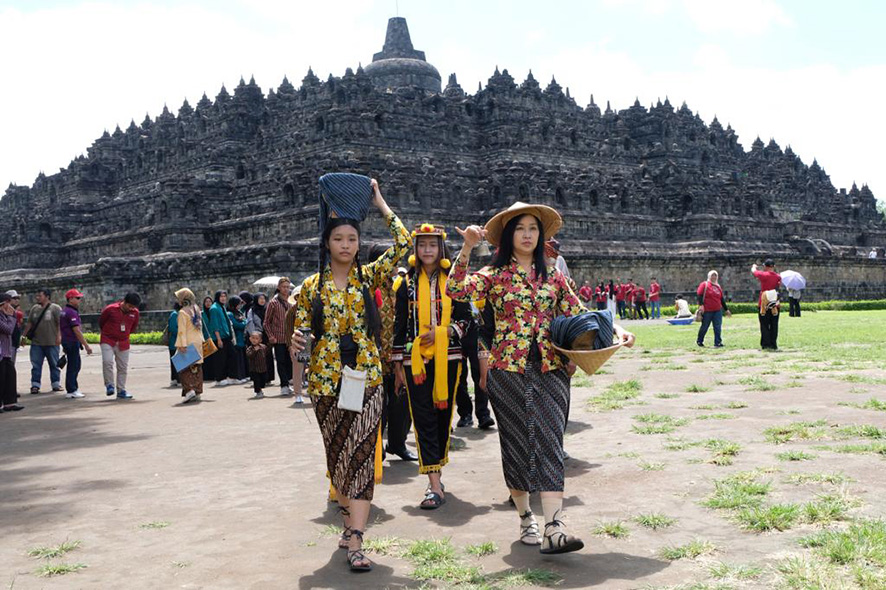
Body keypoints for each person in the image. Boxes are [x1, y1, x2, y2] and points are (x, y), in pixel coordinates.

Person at [447, 201, 635, 555]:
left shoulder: (554, 277)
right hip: (508, 372)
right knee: (517, 445)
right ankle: (525, 517)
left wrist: (619, 330)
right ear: (508, 236)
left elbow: (582, 314)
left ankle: (554, 526)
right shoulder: (493, 275)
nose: (528, 234)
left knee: (550, 441)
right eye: (521, 228)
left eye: (534, 228)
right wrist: (468, 246)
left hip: (551, 368)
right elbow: (455, 290)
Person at [291, 177, 409, 572]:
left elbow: (405, 246)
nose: (346, 245)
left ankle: (357, 537)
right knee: (338, 458)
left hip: (366, 380)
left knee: (360, 455)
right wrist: (296, 339)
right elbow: (302, 330)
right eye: (339, 238)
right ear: (328, 243)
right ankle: (347, 523)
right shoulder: (310, 288)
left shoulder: (369, 277)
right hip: (325, 382)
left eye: (352, 239)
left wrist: (379, 203)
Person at [392, 223, 471, 509]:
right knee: (422, 418)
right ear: (415, 249)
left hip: (448, 359)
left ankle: (436, 471)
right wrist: (398, 365)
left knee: (441, 418)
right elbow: (399, 326)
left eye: (432, 245)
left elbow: (466, 319)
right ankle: (433, 484)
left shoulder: (454, 281)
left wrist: (445, 332)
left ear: (441, 249)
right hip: (417, 362)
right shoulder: (405, 285)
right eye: (422, 245)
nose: (427, 250)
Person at [368, 243, 416, 461]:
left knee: (402, 404)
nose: (394, 267)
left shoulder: (401, 287)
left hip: (398, 355)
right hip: (374, 357)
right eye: (390, 261)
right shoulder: (367, 289)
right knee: (378, 407)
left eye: (395, 262)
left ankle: (398, 443)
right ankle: (376, 447)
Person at [98, 292, 140, 399]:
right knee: (107, 362)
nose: (131, 309)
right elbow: (101, 322)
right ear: (124, 302)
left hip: (123, 342)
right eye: (130, 306)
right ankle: (109, 385)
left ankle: (121, 390)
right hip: (108, 339)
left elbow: (133, 327)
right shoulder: (110, 309)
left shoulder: (135, 313)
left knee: (123, 367)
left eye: (133, 307)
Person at [22, 288, 62, 395]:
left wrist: (59, 336)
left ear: (47, 296)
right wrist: (23, 336)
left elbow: (59, 324)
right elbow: (29, 323)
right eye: (37, 296)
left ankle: (56, 383)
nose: (37, 297)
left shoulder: (55, 308)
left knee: (54, 364)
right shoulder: (34, 309)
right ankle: (35, 385)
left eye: (40, 295)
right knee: (36, 365)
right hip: (37, 342)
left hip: (52, 342)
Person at [59, 289, 93, 398]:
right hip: (71, 341)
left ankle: (73, 388)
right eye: (77, 298)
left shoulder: (64, 311)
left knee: (74, 365)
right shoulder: (71, 312)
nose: (79, 300)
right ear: (71, 299)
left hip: (67, 341)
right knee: (74, 366)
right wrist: (86, 345)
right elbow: (76, 330)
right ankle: (72, 389)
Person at [174, 288, 205, 403]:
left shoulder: (182, 312)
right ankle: (197, 391)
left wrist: (182, 344)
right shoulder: (196, 309)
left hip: (187, 341)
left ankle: (189, 390)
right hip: (197, 341)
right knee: (196, 367)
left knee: (183, 367)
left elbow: (181, 330)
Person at [265, 278, 294, 396]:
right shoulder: (273, 303)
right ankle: (284, 385)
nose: (286, 289)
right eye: (284, 287)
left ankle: (289, 381)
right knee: (281, 361)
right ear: (278, 288)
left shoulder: (292, 301)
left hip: (291, 337)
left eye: (288, 287)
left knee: (290, 361)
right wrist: (271, 336)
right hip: (278, 337)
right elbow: (266, 322)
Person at [752, 259, 782, 350]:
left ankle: (765, 343)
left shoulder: (763, 275)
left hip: (764, 302)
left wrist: (754, 266)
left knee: (764, 324)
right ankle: (773, 343)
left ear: (765, 266)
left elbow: (754, 272)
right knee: (774, 324)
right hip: (775, 302)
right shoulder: (778, 277)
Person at [0, 292, 23, 413]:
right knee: (1, 378)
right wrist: (11, 317)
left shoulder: (6, 315)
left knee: (10, 377)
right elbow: (8, 330)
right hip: (1, 353)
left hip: (6, 352)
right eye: (7, 303)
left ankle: (10, 403)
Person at [696, 271, 731, 347]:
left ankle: (718, 342)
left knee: (717, 327)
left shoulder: (718, 286)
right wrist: (701, 305)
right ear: (709, 276)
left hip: (717, 310)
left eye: (715, 276)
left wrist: (726, 309)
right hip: (707, 310)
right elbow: (699, 295)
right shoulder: (704, 285)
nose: (714, 277)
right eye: (712, 275)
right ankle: (700, 340)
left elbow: (721, 299)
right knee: (705, 326)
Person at [208, 291, 235, 386]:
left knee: (230, 356)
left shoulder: (221, 307)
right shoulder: (214, 308)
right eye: (221, 296)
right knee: (220, 359)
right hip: (219, 337)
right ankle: (220, 378)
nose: (223, 298)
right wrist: (218, 339)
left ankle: (228, 376)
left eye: (224, 296)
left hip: (226, 336)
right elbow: (215, 325)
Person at [227, 295, 248, 383]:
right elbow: (236, 325)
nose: (240, 306)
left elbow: (245, 321)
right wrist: (244, 324)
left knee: (242, 359)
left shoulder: (239, 312)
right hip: (235, 339)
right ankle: (237, 377)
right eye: (238, 304)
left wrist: (244, 323)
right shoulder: (230, 314)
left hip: (242, 339)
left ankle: (243, 375)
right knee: (237, 360)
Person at [246, 331, 269, 398]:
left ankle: (261, 388)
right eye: (253, 338)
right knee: (256, 381)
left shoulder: (263, 347)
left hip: (263, 368)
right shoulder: (249, 348)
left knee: (263, 380)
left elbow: (267, 353)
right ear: (250, 339)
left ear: (260, 340)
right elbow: (249, 355)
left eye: (256, 338)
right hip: (254, 369)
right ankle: (258, 391)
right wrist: (254, 351)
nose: (254, 340)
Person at [5, 290, 23, 365]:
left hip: (14, 343)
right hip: (8, 344)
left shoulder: (15, 312)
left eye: (17, 298)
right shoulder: (6, 312)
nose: (17, 300)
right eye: (14, 298)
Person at [167, 303, 181, 387]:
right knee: (177, 361)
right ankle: (178, 379)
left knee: (175, 362)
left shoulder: (176, 314)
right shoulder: (175, 314)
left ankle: (174, 379)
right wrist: (182, 332)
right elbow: (172, 328)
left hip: (176, 342)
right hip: (174, 342)